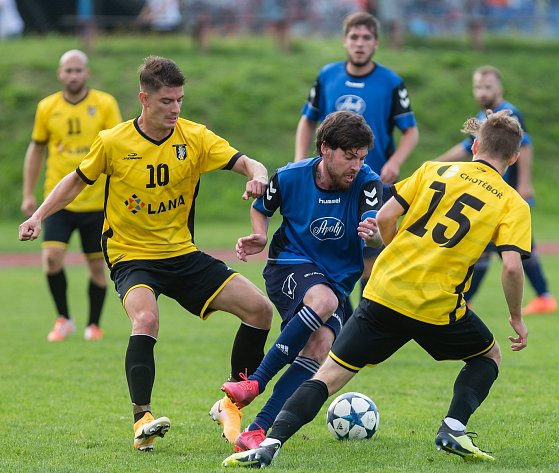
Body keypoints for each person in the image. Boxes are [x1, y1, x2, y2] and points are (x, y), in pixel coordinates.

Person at [222, 109, 531, 468]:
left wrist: (399, 255)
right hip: (436, 304)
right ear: (514, 156)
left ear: (475, 145)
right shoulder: (512, 203)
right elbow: (511, 267)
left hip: (382, 292)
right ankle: (453, 426)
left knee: (329, 374)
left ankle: (269, 443)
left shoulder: (434, 169)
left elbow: (385, 217)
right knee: (488, 356)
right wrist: (516, 316)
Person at [19, 56, 273, 452]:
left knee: (259, 310)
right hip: (131, 255)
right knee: (146, 317)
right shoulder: (113, 141)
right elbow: (75, 181)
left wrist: (258, 175)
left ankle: (231, 402)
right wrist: (38, 215)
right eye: (167, 101)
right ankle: (143, 420)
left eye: (180, 101)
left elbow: (248, 162)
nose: (175, 109)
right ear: (144, 98)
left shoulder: (195, 138)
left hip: (182, 253)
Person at [211, 111, 383, 452]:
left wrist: (374, 235)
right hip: (288, 264)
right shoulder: (290, 177)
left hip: (335, 279)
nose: (356, 165)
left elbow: (373, 226)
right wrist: (260, 236)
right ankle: (254, 382)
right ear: (325, 149)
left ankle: (257, 430)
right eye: (349, 156)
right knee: (324, 302)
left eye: (361, 157)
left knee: (319, 350)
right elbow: (262, 208)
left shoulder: (367, 182)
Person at [295, 11, 419, 302]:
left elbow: (411, 132)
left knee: (371, 256)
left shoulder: (391, 82)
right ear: (345, 41)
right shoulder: (328, 75)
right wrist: (301, 160)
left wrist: (395, 161)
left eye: (366, 38)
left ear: (376, 43)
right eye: (354, 37)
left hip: (372, 183)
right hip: (330, 183)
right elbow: (306, 120)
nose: (359, 43)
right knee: (327, 251)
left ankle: (361, 324)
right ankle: (336, 321)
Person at [436, 65, 557, 315]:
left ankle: (543, 297)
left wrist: (524, 183)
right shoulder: (484, 119)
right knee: (486, 250)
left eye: (487, 87)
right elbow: (465, 147)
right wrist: (435, 165)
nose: (482, 92)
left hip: (504, 196)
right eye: (478, 87)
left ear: (499, 88)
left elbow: (525, 146)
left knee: (508, 250)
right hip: (489, 195)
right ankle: (467, 299)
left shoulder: (509, 114)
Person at [21, 49, 122, 342]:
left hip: (95, 201)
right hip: (58, 200)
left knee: (96, 268)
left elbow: (118, 147)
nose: (73, 75)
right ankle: (63, 319)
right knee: (51, 259)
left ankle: (94, 325)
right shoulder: (47, 107)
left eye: (78, 70)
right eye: (68, 70)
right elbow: (37, 149)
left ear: (87, 73)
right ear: (60, 74)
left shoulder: (104, 103)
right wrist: (29, 193)